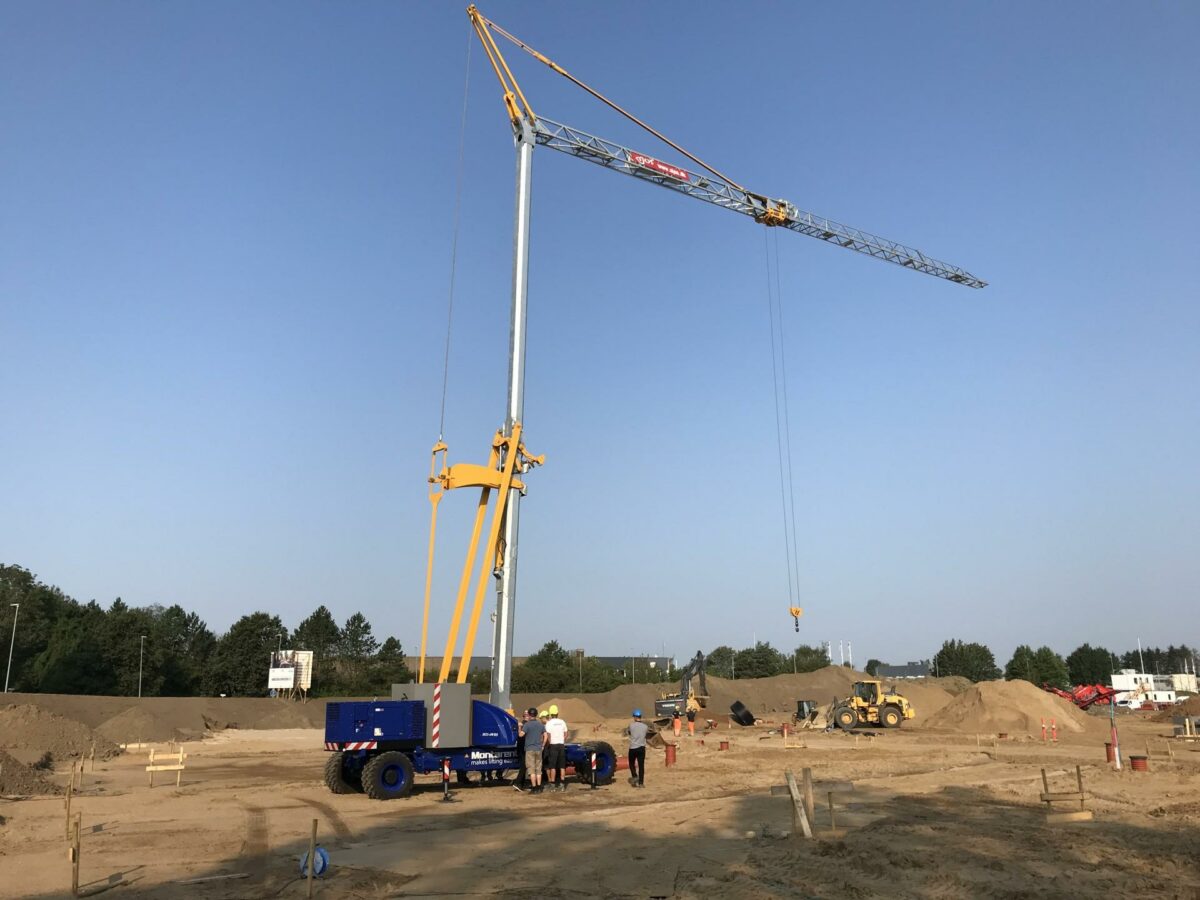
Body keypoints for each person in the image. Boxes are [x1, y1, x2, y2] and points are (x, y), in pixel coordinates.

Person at [519, 707, 545, 794]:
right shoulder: (540, 725)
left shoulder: (527, 725)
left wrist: (519, 727)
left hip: (530, 749)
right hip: (538, 749)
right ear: (536, 715)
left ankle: (534, 788)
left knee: (531, 770)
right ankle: (539, 787)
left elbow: (521, 735)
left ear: (529, 715)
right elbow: (545, 735)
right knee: (538, 769)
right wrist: (543, 745)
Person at [544, 704, 569, 792]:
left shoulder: (549, 723)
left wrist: (551, 742)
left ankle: (553, 785)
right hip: (561, 745)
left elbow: (548, 735)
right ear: (557, 713)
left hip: (553, 745)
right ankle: (562, 784)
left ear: (550, 714)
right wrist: (563, 740)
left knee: (552, 766)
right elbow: (566, 734)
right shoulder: (562, 722)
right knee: (562, 766)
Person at [627, 709, 648, 788]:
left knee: (631, 763)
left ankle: (635, 776)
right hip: (642, 748)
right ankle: (641, 783)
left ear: (635, 717)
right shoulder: (645, 726)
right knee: (641, 766)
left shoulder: (631, 725)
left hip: (633, 748)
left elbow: (629, 732)